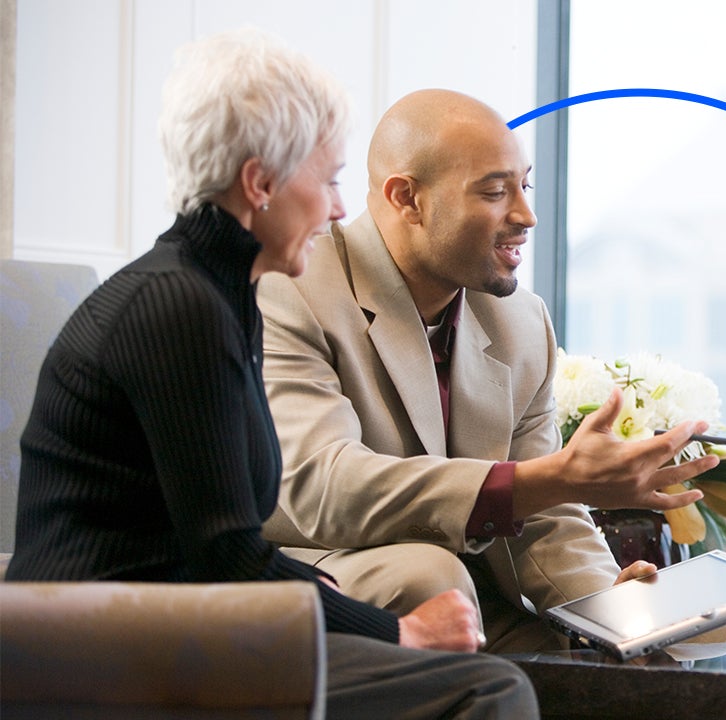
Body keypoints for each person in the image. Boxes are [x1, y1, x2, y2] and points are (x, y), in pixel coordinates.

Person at [6, 29, 537, 719]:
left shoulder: (215, 292)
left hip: (171, 623)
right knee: (487, 689)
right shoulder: (180, 307)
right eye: (331, 179)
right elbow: (227, 559)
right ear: (260, 184)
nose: (343, 209)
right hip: (102, 646)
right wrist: (398, 629)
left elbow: (226, 549)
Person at [257, 88, 726, 652]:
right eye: (494, 192)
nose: (526, 216)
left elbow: (547, 515)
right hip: (334, 577)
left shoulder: (521, 322)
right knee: (432, 575)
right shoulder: (290, 290)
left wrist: (610, 605)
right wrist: (553, 479)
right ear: (407, 198)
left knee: (694, 632)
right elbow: (322, 487)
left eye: (524, 186)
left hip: (487, 600)